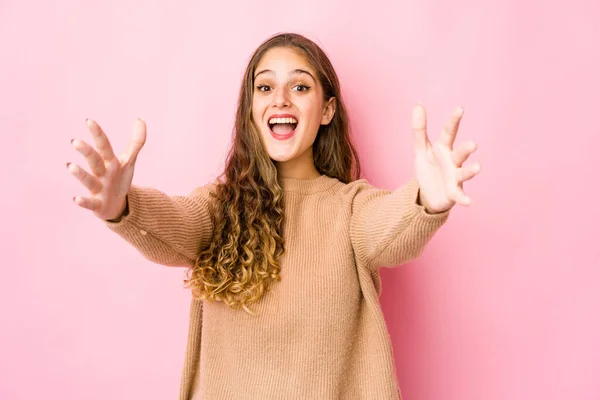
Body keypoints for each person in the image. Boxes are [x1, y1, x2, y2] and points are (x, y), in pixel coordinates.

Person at [67, 32, 480, 400]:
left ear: (327, 110)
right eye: (265, 87)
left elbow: (388, 228)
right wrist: (123, 207)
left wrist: (426, 198)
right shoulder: (218, 204)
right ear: (251, 110)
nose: (280, 99)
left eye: (299, 86)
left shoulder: (350, 207)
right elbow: (176, 222)